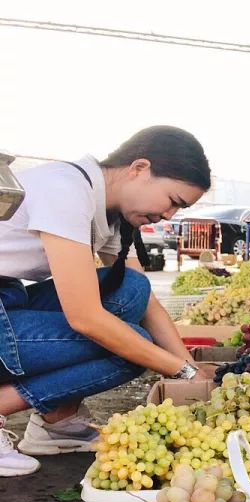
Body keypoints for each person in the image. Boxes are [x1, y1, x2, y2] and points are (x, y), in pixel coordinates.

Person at [0, 126, 213, 477]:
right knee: (130, 348)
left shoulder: (109, 211)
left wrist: (192, 371)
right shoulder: (67, 190)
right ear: (139, 168)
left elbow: (143, 299)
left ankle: (58, 422)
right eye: (173, 201)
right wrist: (180, 370)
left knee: (129, 290)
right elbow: (85, 318)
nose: (170, 216)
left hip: (9, 304)